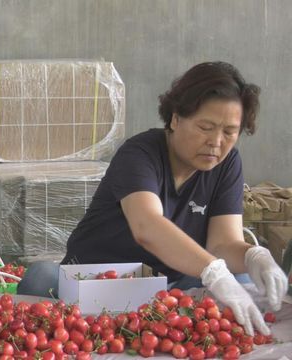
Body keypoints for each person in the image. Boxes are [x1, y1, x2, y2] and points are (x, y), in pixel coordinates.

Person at [18, 61, 287, 336]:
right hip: (98, 282)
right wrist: (214, 273)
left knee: (243, 279)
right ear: (175, 118)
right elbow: (147, 226)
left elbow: (222, 244)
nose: (216, 142)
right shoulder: (140, 154)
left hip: (171, 285)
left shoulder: (226, 164)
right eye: (205, 127)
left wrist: (255, 256)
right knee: (41, 278)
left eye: (230, 132)